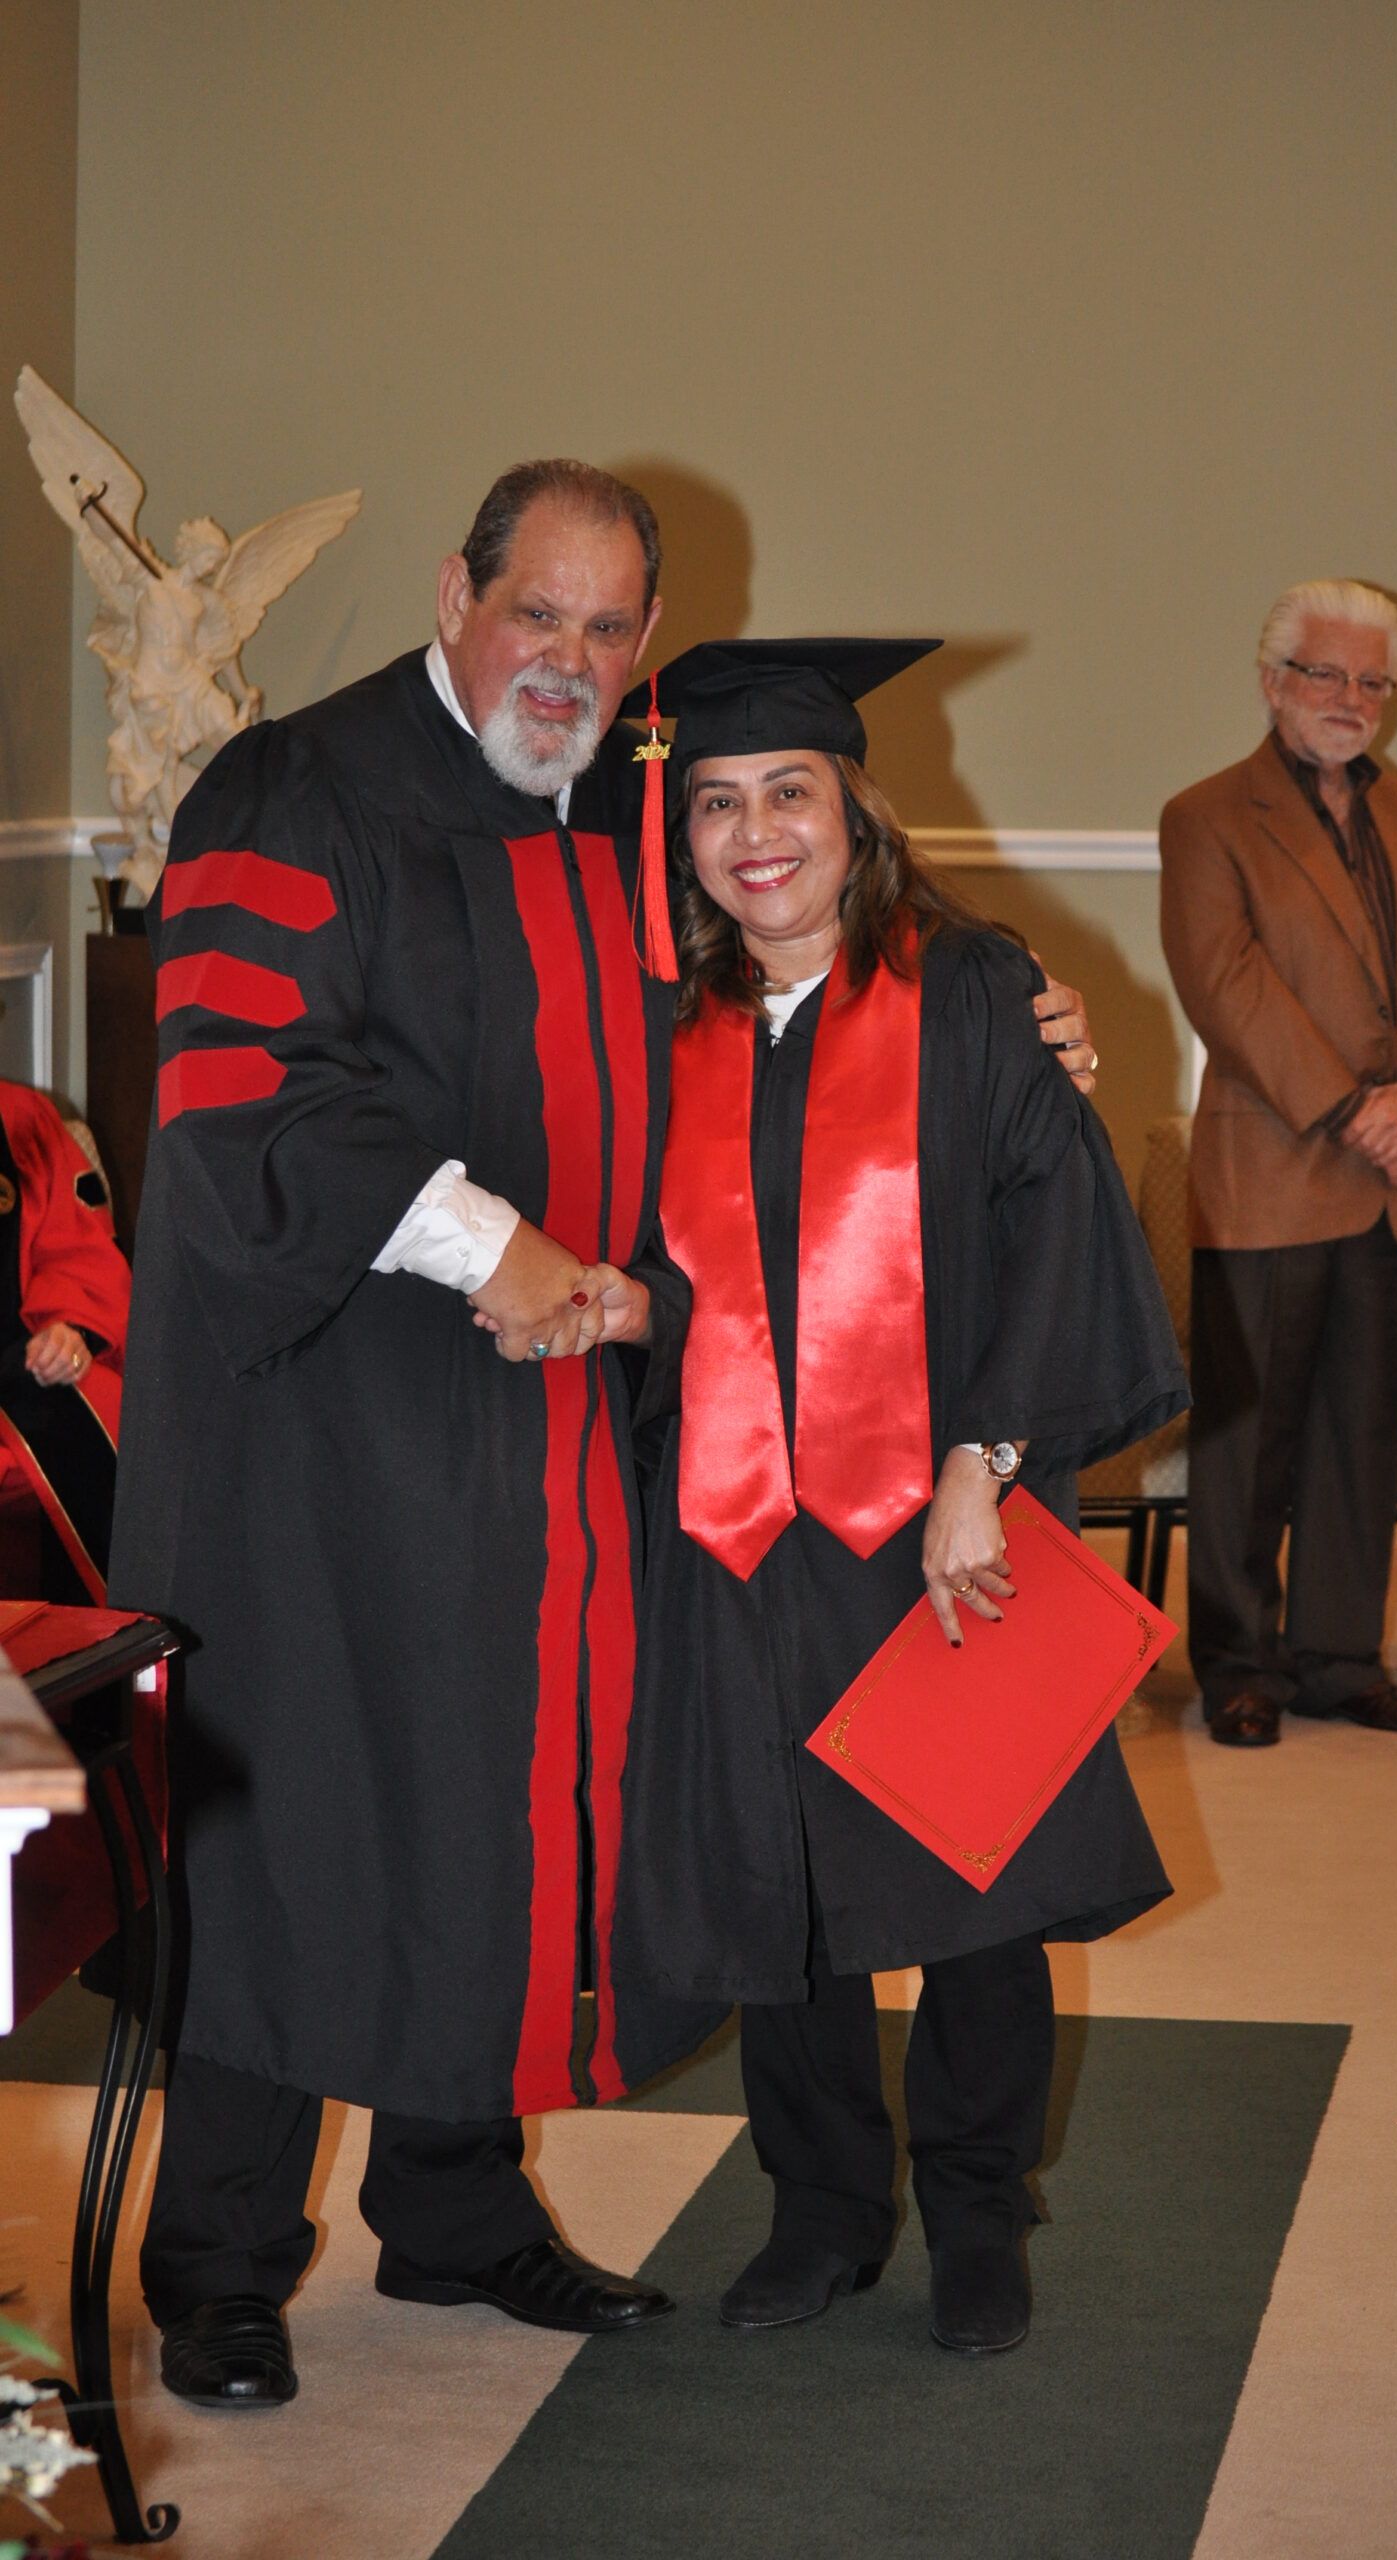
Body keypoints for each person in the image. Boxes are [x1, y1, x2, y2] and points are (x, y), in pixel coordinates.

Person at [109, 466, 1103, 2409]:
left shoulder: (632, 813)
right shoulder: (295, 788)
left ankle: (456, 2203)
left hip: (581, 1430)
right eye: (535, 612)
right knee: (304, 1813)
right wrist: (490, 1238)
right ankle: (219, 2252)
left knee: (513, 1805)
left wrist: (1004, 1018)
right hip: (329, 1430)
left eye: (607, 626)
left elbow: (804, 946)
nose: (565, 660)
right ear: (454, 591)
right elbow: (242, 1086)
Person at [587, 640, 1188, 2356]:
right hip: (731, 1528)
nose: (752, 832)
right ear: (681, 838)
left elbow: (1056, 1237)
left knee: (970, 1871)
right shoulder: (668, 1033)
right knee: (784, 1889)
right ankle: (827, 2207)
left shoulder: (976, 991)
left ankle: (980, 2210)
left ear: (856, 812)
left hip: (937, 1511)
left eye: (788, 792)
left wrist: (983, 1471)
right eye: (713, 803)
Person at [1158, 580, 1397, 1749]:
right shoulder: (1205, 816)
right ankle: (1238, 1663)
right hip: (1270, 1169)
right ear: (1271, 682)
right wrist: (1353, 1106)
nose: (1350, 700)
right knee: (1246, 1439)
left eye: (1372, 681)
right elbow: (1222, 982)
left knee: (1363, 1433)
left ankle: (1338, 1658)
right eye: (1326, 675)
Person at [0, 1080, 129, 1601]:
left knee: (111, 1410)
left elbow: (75, 1246)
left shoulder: (17, 1119)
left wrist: (70, 1325)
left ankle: (111, 1663)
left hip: (19, 1371)